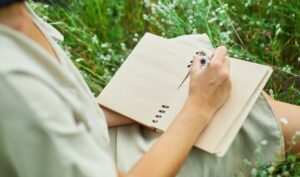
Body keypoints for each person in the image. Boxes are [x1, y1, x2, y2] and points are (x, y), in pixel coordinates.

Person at [0, 1, 299, 177]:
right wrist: (198, 108)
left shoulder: (13, 14)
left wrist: (112, 110)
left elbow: (47, 116)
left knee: (192, 62)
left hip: (91, 144)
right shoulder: (10, 77)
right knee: (241, 115)